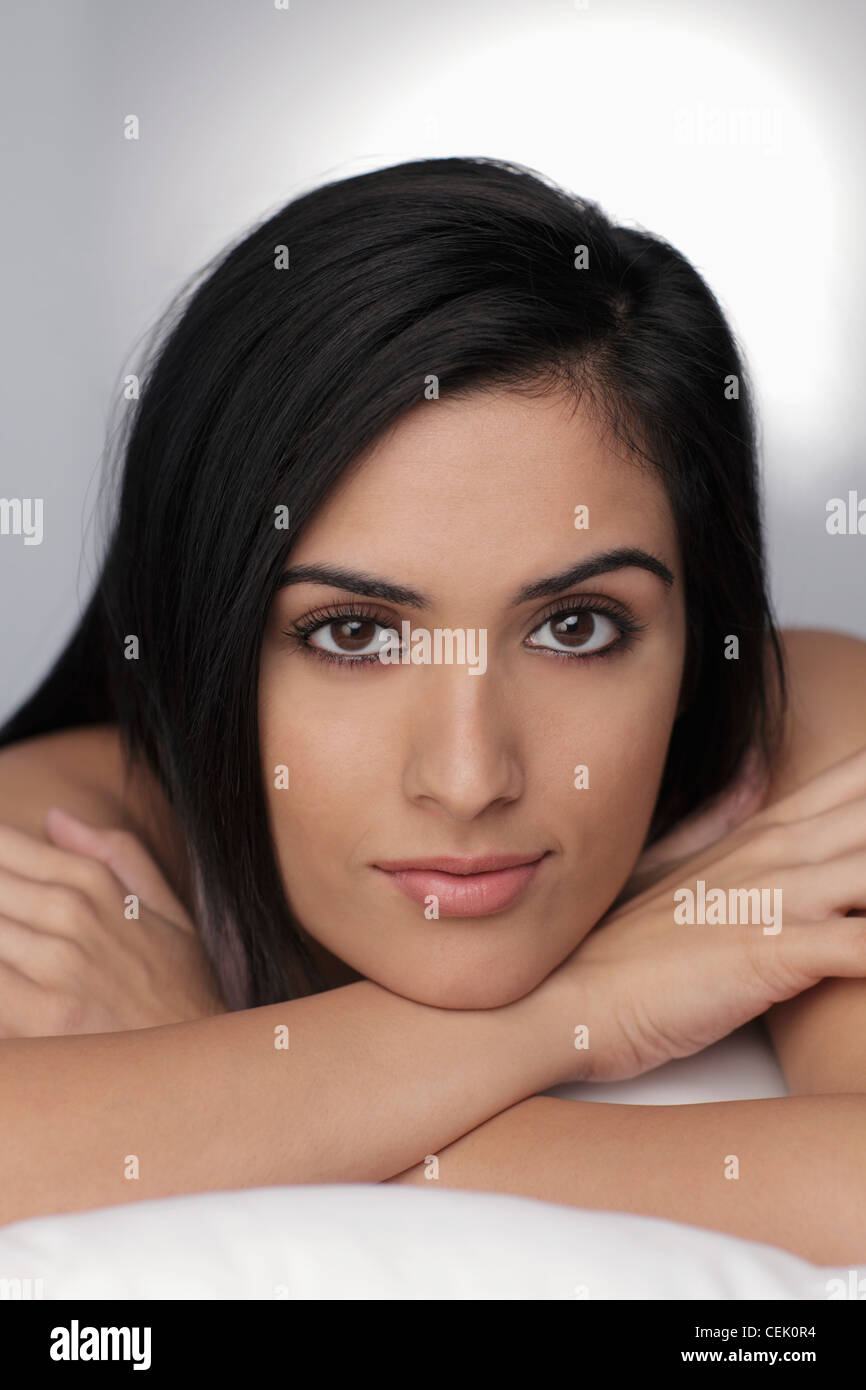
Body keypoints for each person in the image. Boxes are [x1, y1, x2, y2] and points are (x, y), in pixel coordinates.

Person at [1, 156, 865, 1265]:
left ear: (699, 622)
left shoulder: (794, 736)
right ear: (197, 637)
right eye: (352, 632)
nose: (467, 778)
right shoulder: (69, 859)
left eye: (576, 628)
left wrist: (239, 1083)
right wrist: (586, 1005)